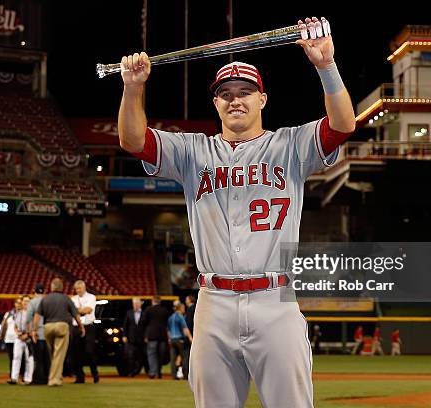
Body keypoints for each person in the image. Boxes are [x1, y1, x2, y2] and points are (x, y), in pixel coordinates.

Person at [117, 15, 355, 407]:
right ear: (215, 102)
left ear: (262, 100)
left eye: (245, 91)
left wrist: (326, 66)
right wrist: (132, 89)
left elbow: (343, 124)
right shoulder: (193, 151)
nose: (235, 99)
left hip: (274, 299)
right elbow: (132, 140)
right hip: (214, 302)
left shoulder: (290, 145)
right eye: (226, 93)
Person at [32, 278, 85, 387]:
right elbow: (76, 315)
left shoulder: (45, 299)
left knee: (52, 354)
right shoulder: (66, 299)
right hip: (62, 326)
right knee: (59, 354)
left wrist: (34, 330)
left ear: (52, 287)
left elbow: (37, 316)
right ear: (62, 287)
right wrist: (81, 327)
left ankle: (55, 376)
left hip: (48, 327)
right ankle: (54, 380)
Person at [70, 280, 99, 383]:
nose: (78, 290)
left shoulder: (91, 297)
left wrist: (76, 310)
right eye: (76, 289)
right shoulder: (73, 299)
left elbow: (88, 310)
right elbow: (70, 312)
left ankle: (95, 374)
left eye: (80, 288)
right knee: (76, 353)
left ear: (84, 288)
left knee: (89, 351)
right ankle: (80, 377)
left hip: (88, 327)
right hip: (76, 327)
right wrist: (79, 310)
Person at [139, 296, 170, 379]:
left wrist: (145, 335)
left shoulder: (148, 310)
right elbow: (167, 324)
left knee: (152, 355)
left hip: (151, 336)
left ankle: (152, 372)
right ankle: (158, 373)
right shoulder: (165, 310)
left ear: (153, 301)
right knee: (160, 356)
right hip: (162, 336)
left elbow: (143, 322)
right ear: (160, 301)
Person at [26, 283, 50, 385]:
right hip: (49, 333)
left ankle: (38, 380)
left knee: (38, 359)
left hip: (37, 333)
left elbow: (28, 319)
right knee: (47, 358)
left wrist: (30, 332)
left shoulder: (32, 302)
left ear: (34, 291)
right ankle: (47, 379)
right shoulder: (48, 301)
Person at [9, 295, 34, 385]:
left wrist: (27, 335)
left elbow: (34, 327)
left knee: (29, 358)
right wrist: (18, 333)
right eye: (24, 301)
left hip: (29, 338)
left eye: (27, 301)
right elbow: (15, 326)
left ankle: (28, 379)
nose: (25, 303)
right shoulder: (17, 313)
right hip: (19, 338)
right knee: (16, 357)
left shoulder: (32, 313)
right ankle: (14, 378)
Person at [167, 301, 193, 380]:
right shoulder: (180, 316)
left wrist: (169, 339)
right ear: (180, 308)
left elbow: (168, 330)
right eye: (183, 308)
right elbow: (185, 329)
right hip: (180, 339)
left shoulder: (171, 317)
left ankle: (174, 375)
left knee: (173, 358)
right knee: (185, 356)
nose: (184, 309)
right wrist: (190, 338)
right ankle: (185, 375)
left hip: (172, 340)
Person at [123, 297, 147, 377]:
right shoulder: (129, 313)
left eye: (137, 304)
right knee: (130, 356)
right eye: (134, 304)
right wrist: (124, 335)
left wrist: (146, 336)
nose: (135, 305)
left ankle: (137, 371)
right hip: (131, 339)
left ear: (140, 304)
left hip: (141, 339)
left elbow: (147, 326)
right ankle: (131, 372)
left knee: (141, 357)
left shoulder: (144, 314)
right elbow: (125, 325)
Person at [0, 297, 22, 379]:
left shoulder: (23, 313)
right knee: (11, 357)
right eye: (17, 303)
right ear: (14, 304)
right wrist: (1, 334)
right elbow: (3, 324)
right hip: (9, 338)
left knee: (19, 357)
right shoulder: (8, 313)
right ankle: (12, 374)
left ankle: (20, 374)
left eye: (20, 303)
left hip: (19, 338)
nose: (18, 304)